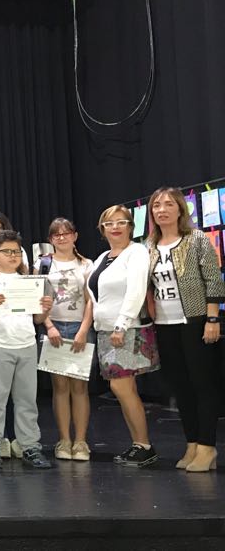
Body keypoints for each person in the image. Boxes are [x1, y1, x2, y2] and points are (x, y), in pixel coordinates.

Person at [146, 188, 224, 472]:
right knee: (181, 387)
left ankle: (207, 447)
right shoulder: (150, 246)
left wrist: (212, 320)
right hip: (165, 325)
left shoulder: (197, 239)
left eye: (168, 204)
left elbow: (213, 280)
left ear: (180, 209)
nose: (162, 209)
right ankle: (192, 443)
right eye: (156, 205)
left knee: (203, 384)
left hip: (196, 321)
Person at [0, 230, 54, 470]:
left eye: (16, 251)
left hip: (26, 344)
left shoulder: (29, 281)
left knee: (27, 400)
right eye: (7, 251)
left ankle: (30, 447)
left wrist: (45, 309)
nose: (13, 256)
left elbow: (37, 319)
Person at [86, 205, 161, 467]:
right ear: (102, 229)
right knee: (122, 388)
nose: (115, 227)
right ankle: (138, 444)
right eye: (109, 223)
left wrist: (121, 325)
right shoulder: (103, 257)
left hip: (126, 329)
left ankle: (144, 445)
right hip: (106, 330)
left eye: (121, 222)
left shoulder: (137, 252)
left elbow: (136, 291)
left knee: (122, 387)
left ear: (130, 226)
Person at [34, 218, 95, 462]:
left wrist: (83, 330)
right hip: (54, 328)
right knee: (59, 387)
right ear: (50, 240)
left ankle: (80, 441)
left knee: (79, 387)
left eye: (66, 233)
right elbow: (36, 297)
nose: (61, 237)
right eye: (56, 235)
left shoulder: (86, 264)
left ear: (75, 236)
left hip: (80, 327)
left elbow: (91, 299)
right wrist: (48, 326)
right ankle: (64, 440)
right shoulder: (43, 264)